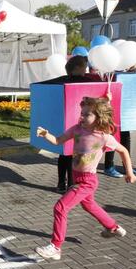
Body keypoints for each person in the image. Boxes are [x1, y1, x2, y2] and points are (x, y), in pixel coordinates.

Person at [34, 96, 136, 261]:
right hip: (77, 177)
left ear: (99, 118)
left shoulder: (104, 137)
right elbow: (58, 141)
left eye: (87, 114)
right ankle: (113, 227)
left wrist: (129, 172)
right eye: (81, 113)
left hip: (87, 180)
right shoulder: (76, 129)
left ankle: (55, 246)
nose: (81, 117)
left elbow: (123, 151)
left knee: (60, 207)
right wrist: (46, 134)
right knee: (89, 205)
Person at [41, 55, 93, 192]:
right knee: (71, 154)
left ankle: (61, 184)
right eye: (84, 67)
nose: (85, 70)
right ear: (78, 67)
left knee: (64, 154)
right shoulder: (87, 82)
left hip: (63, 122)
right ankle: (71, 183)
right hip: (77, 124)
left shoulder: (60, 82)